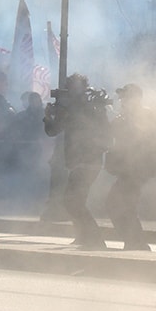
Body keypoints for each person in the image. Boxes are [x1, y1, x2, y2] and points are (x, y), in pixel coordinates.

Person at [42, 73, 111, 249]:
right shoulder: (80, 107)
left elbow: (54, 130)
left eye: (75, 87)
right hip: (83, 162)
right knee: (76, 201)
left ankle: (95, 239)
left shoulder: (84, 107)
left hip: (87, 162)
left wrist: (52, 116)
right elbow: (54, 130)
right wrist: (49, 116)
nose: (72, 91)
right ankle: (84, 237)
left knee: (71, 201)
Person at [103, 83, 156, 251]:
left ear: (136, 98)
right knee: (119, 204)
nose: (122, 101)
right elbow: (112, 135)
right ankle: (134, 241)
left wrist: (125, 119)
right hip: (126, 169)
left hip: (138, 168)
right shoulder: (123, 117)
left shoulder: (145, 114)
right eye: (122, 98)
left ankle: (136, 242)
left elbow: (143, 137)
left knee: (119, 203)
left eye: (125, 97)